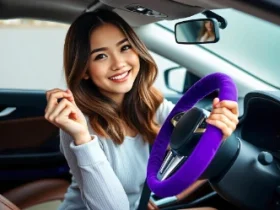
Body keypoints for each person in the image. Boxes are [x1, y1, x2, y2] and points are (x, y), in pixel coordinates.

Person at [44, 10, 239, 210]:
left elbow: (190, 133)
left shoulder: (149, 102)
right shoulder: (78, 124)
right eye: (101, 56)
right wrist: (82, 138)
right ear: (84, 70)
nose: (119, 63)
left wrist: (219, 129)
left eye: (125, 47)